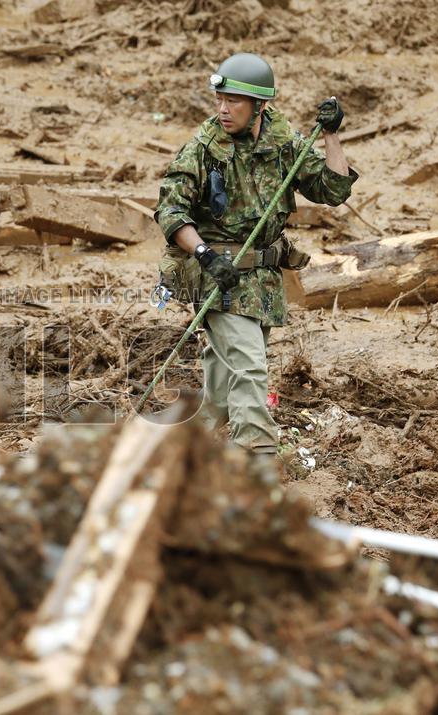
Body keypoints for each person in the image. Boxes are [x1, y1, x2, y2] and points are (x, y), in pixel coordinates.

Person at [153, 52, 357, 459]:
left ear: (260, 106)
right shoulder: (203, 148)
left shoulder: (285, 145)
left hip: (261, 282)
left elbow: (333, 190)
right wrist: (206, 255)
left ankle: (174, 452)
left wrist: (331, 134)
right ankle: (258, 459)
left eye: (234, 102)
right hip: (219, 277)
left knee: (222, 394)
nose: (223, 109)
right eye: (219, 100)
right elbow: (170, 211)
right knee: (249, 368)